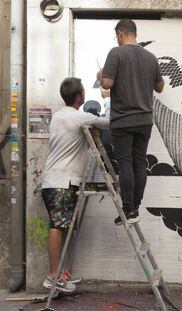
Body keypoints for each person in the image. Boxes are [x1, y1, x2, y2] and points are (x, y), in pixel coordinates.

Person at [41, 77, 109, 292]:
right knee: (57, 227)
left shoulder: (58, 117)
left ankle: (59, 274)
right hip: (62, 181)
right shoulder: (77, 118)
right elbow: (108, 122)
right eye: (83, 91)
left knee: (59, 227)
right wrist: (108, 99)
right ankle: (52, 276)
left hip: (54, 180)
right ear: (80, 96)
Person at [97, 19, 164, 226]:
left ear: (120, 33)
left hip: (123, 120)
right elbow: (160, 87)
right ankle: (135, 206)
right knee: (139, 163)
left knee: (125, 163)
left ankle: (128, 210)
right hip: (144, 120)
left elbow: (107, 84)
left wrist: (101, 76)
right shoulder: (151, 57)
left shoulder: (116, 53)